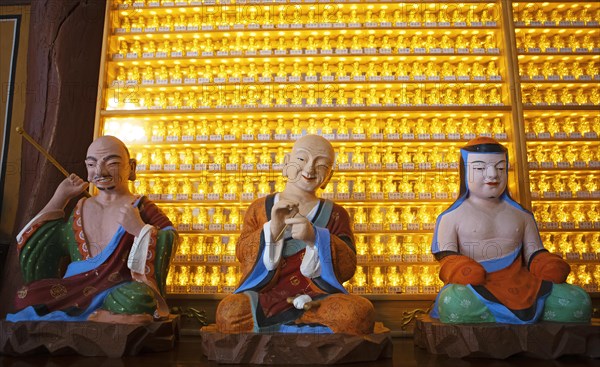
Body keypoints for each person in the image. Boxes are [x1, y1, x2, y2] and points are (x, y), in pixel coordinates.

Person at [216, 135, 374, 335]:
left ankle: (291, 331)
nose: (309, 169)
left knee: (359, 313)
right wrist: (271, 231)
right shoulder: (259, 208)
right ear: (286, 162)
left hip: (318, 299)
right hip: (266, 296)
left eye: (321, 165)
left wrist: (316, 238)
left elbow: (348, 267)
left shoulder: (335, 214)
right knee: (228, 313)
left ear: (329, 176)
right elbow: (242, 252)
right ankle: (306, 332)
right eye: (301, 159)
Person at [8, 136, 177, 323]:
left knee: (138, 298)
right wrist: (60, 198)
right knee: (26, 296)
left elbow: (170, 237)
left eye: (111, 163)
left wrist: (140, 229)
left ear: (131, 168)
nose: (100, 171)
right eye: (91, 164)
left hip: (117, 289)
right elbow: (45, 240)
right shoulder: (81, 206)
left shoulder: (140, 206)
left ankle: (106, 315)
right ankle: (103, 318)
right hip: (73, 288)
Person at [430, 137, 591, 324]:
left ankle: (494, 318)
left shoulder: (522, 215)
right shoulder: (451, 216)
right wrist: (460, 268)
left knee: (578, 301)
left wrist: (545, 264)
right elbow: (446, 256)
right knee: (453, 303)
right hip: (476, 286)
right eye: (480, 168)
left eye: (500, 168)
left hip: (523, 283)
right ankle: (491, 316)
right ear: (466, 172)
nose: (492, 175)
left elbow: (534, 252)